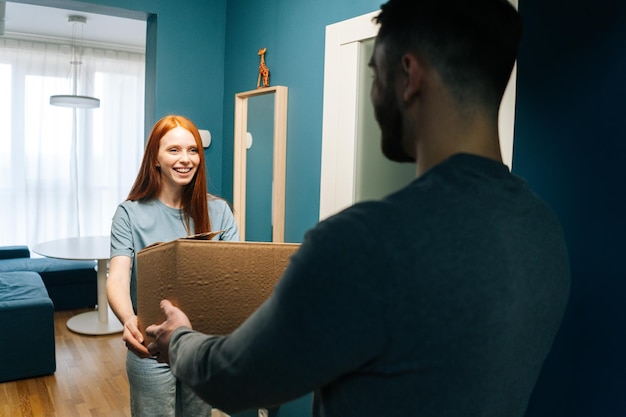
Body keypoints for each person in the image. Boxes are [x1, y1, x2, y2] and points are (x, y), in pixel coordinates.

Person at [146, 1, 571, 416]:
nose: (373, 93)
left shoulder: (363, 242)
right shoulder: (542, 230)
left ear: (409, 75)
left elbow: (234, 378)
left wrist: (178, 338)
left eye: (375, 73)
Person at [107, 114, 239, 417]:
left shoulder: (220, 212)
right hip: (149, 346)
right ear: (155, 157)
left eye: (193, 150)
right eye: (174, 150)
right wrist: (129, 319)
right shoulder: (129, 214)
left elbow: (232, 278)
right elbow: (118, 277)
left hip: (200, 345)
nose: (186, 159)